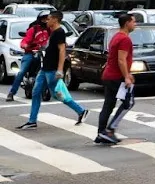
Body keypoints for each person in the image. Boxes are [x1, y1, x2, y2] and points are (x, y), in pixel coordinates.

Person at [18, 11, 85, 130]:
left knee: (57, 94)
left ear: (55, 19)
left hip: (52, 70)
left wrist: (60, 69)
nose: (46, 21)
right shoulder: (53, 32)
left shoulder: (59, 32)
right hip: (45, 69)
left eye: (48, 19)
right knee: (36, 92)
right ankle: (32, 121)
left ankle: (81, 111)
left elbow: (62, 51)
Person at [94, 13, 137, 145]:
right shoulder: (125, 39)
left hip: (109, 75)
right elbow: (121, 60)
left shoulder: (116, 36)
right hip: (116, 77)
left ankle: (101, 133)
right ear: (127, 23)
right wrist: (126, 77)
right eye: (133, 22)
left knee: (109, 105)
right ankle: (109, 129)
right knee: (128, 102)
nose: (135, 24)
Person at [5, 13, 49, 103]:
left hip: (44, 54)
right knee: (21, 72)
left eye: (47, 19)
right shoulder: (34, 29)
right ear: (39, 19)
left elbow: (55, 40)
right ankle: (11, 93)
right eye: (43, 19)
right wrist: (25, 45)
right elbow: (25, 40)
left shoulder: (50, 30)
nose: (46, 21)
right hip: (31, 53)